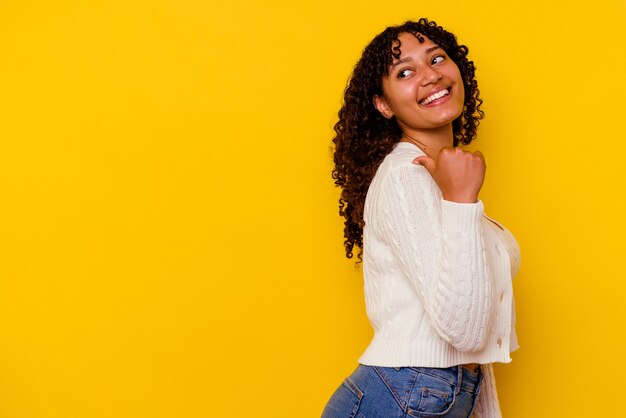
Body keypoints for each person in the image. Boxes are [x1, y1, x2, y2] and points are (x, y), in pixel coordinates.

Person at [322, 18, 520, 418]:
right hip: (401, 393)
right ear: (383, 104)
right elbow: (462, 330)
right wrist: (463, 199)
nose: (431, 76)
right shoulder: (404, 176)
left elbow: (463, 352)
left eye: (438, 58)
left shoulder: (435, 180)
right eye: (406, 72)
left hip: (423, 393)